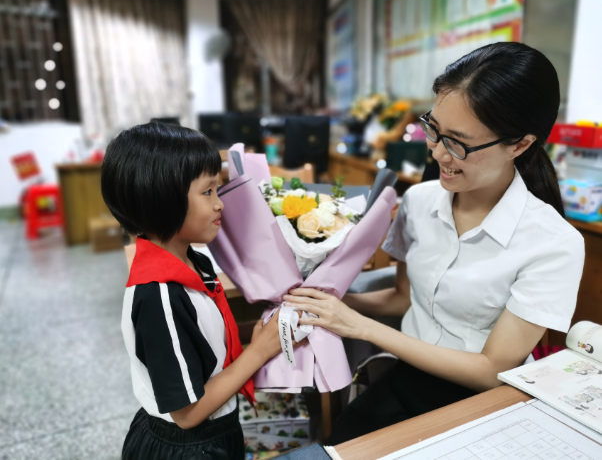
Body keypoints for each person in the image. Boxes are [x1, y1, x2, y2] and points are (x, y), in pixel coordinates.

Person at [282, 42, 585, 444]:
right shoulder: (420, 201)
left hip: (483, 403)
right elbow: (402, 299)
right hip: (406, 375)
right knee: (339, 445)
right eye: (434, 129)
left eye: (458, 142)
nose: (438, 152)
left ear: (520, 144)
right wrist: (327, 302)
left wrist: (360, 326)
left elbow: (492, 370)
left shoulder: (554, 243)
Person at [101, 122, 304, 459]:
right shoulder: (159, 296)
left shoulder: (192, 261)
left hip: (216, 429)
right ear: (162, 200)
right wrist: (259, 350)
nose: (220, 203)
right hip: (187, 447)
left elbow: (201, 339)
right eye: (208, 192)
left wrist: (252, 333)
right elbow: (187, 413)